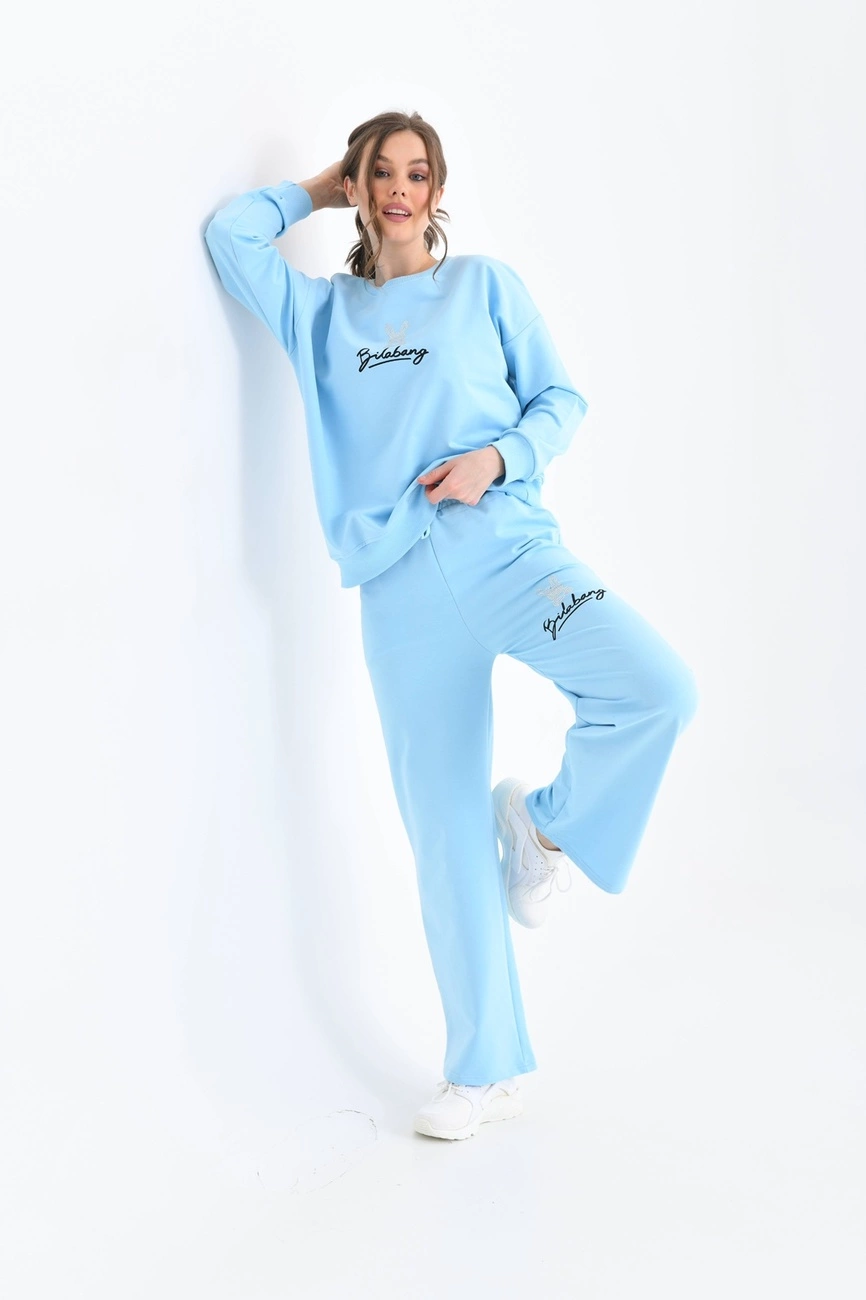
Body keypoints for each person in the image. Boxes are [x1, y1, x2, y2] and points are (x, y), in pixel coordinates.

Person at [204, 108, 699, 1142]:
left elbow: (560, 400)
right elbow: (229, 237)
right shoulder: (321, 315)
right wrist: (317, 188)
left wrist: (498, 460)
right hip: (400, 594)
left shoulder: (485, 287)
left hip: (510, 553)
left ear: (437, 190)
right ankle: (484, 1070)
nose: (398, 188)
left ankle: (543, 826)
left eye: (415, 172)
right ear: (359, 185)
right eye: (379, 172)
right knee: (440, 831)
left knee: (655, 689)